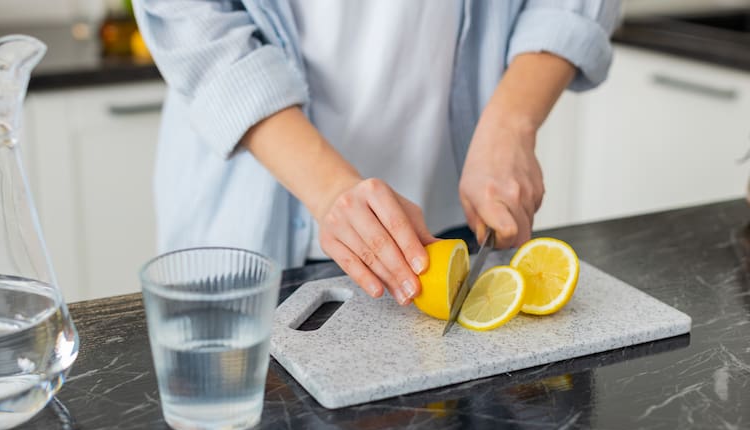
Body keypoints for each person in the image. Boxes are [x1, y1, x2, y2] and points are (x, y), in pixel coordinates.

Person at [133, 0, 620, 305]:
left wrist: (512, 122)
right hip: (250, 225)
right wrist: (329, 190)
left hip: (453, 221)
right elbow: (191, 17)